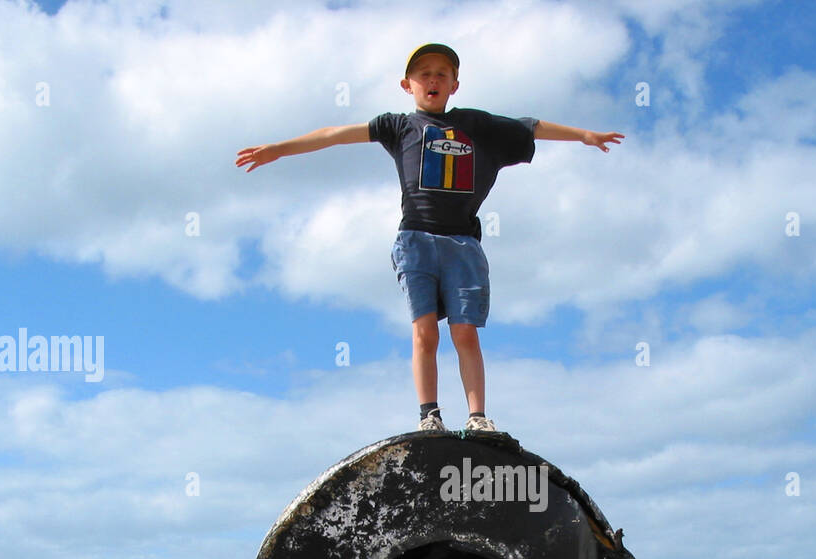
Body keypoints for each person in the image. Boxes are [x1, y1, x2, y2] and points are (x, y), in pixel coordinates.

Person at [237, 43, 622, 432]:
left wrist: (584, 135)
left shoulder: (476, 126)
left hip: (463, 245)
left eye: (442, 73)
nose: (433, 79)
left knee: (465, 332)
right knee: (424, 331)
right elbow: (336, 134)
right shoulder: (399, 126)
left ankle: (477, 417)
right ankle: (429, 416)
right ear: (408, 85)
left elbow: (531, 127)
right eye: (425, 74)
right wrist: (279, 150)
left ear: (455, 84)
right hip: (416, 240)